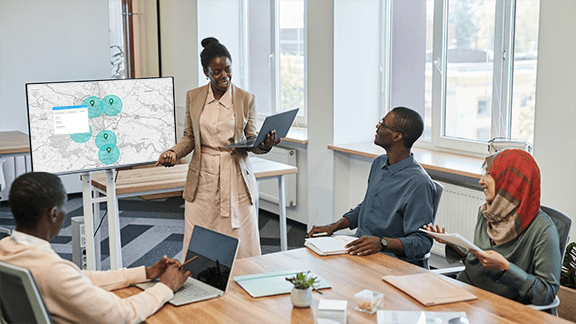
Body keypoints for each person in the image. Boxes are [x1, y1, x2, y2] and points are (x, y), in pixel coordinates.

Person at [0, 172, 191, 324]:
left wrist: (145, 273)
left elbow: (78, 278)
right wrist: (165, 287)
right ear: (54, 214)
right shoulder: (51, 271)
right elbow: (121, 315)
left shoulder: (6, 248)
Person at [156, 37, 279, 259]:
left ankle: (244, 282)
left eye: (228, 70)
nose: (224, 76)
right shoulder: (194, 97)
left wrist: (265, 146)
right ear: (206, 72)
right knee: (200, 233)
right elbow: (189, 137)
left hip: (235, 175)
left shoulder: (246, 99)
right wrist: (174, 152)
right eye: (217, 71)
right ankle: (199, 283)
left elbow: (251, 140)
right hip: (202, 177)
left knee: (241, 235)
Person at [424, 149, 561, 305]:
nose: (481, 181)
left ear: (510, 181)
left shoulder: (544, 231)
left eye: (489, 174)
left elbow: (547, 293)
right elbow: (482, 261)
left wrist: (505, 267)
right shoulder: (487, 212)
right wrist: (452, 243)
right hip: (467, 293)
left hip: (501, 306)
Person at [307, 107, 435, 266]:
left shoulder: (419, 183)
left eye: (383, 123)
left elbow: (422, 242)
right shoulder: (379, 163)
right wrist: (333, 226)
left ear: (397, 136)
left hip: (390, 260)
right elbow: (368, 206)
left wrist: (383, 243)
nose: (377, 126)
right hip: (360, 250)